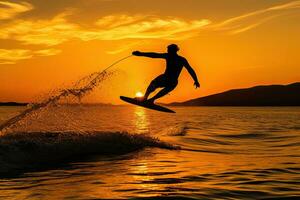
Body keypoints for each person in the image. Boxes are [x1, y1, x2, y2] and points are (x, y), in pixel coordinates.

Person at [132, 44, 200, 103]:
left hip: (169, 79)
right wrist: (141, 53)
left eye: (168, 50)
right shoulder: (175, 57)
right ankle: (147, 99)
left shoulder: (178, 58)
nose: (167, 51)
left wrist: (196, 80)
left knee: (157, 86)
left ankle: (149, 99)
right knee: (153, 84)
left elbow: (190, 70)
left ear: (173, 50)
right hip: (170, 80)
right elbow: (154, 55)